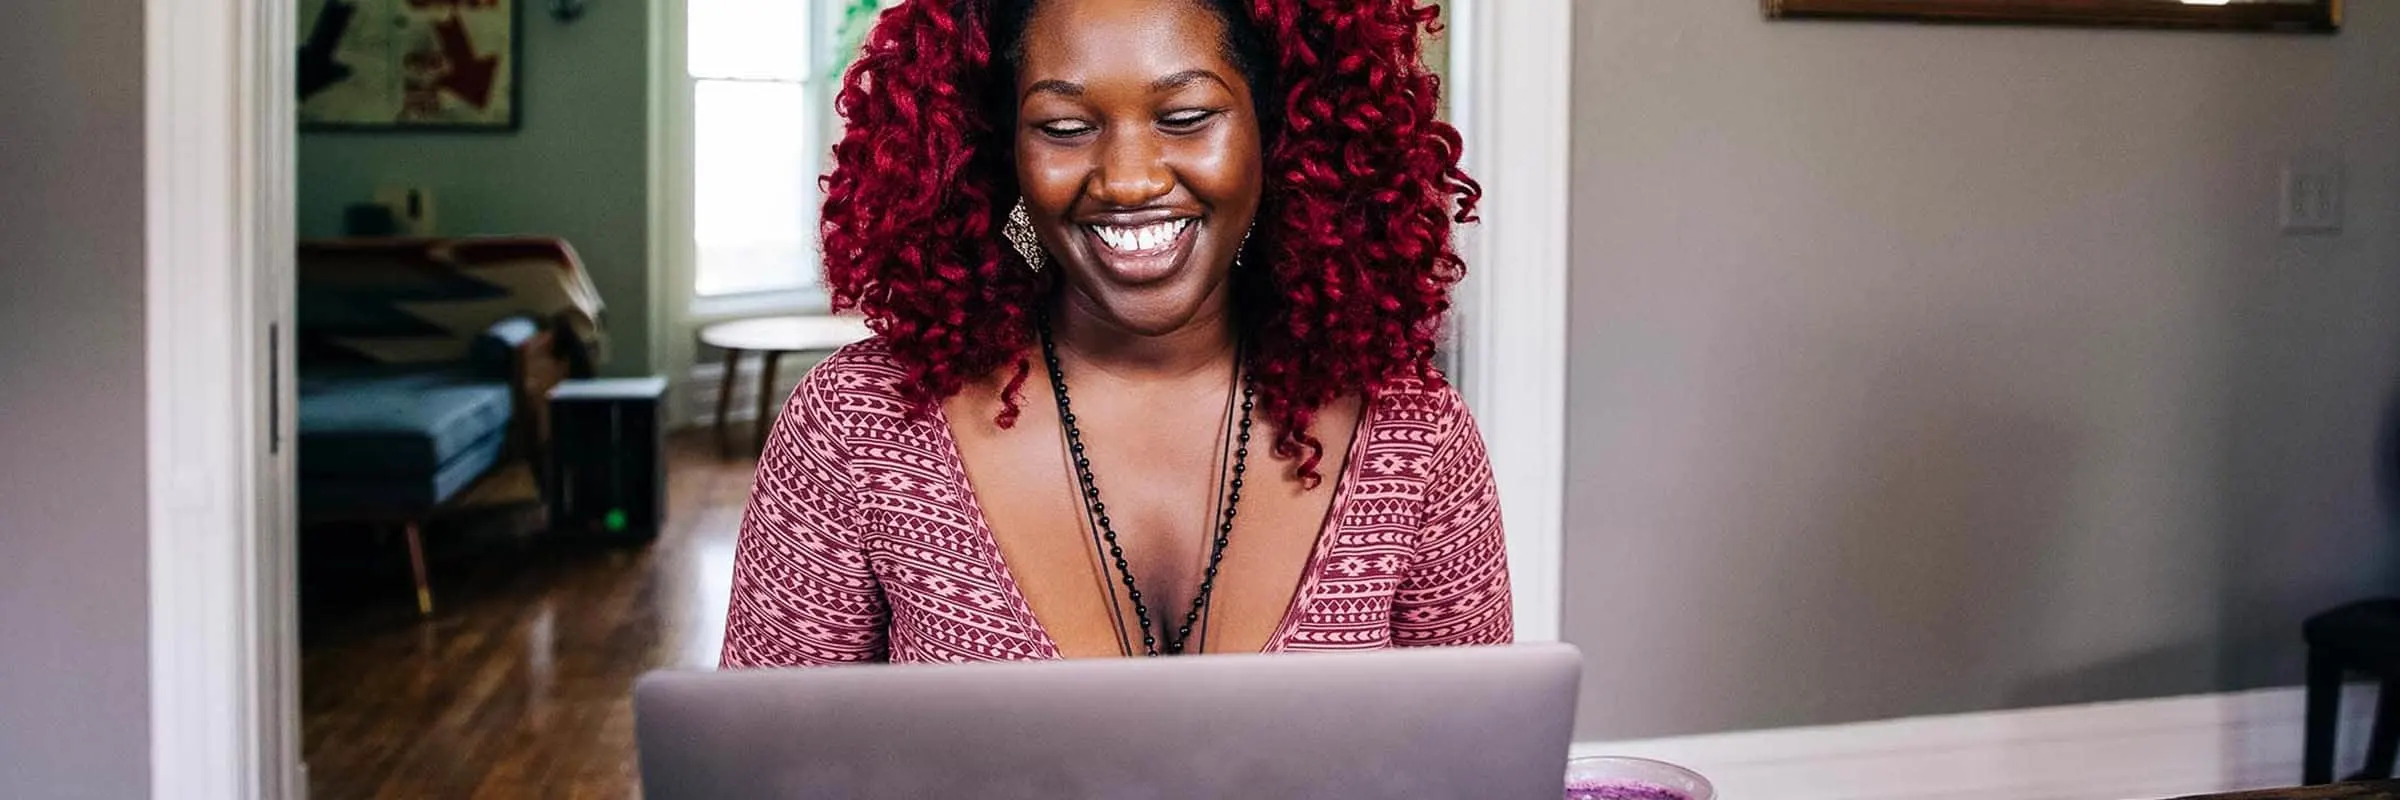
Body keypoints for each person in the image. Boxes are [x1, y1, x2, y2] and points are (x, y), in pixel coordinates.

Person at [720, 0, 1507, 665]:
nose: (1129, 179)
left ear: (1281, 134)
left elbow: (1482, 769)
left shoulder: (1416, 438)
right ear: (999, 156)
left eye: (1187, 117)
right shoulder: (859, 427)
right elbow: (751, 771)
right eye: (1064, 127)